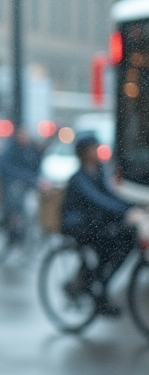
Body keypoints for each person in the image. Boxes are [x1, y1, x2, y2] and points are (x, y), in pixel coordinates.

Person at [60, 134, 143, 316]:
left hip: (94, 223)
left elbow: (111, 196)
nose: (97, 150)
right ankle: (99, 288)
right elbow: (99, 200)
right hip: (78, 226)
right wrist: (126, 212)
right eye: (93, 147)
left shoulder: (98, 171)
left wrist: (132, 207)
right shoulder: (79, 178)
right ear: (84, 152)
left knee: (125, 237)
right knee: (113, 241)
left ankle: (100, 284)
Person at [0, 125, 42, 242]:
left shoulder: (30, 151)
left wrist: (36, 180)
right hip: (11, 183)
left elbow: (34, 168)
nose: (24, 138)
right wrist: (29, 178)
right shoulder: (10, 149)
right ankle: (12, 229)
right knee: (16, 205)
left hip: (26, 184)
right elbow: (6, 168)